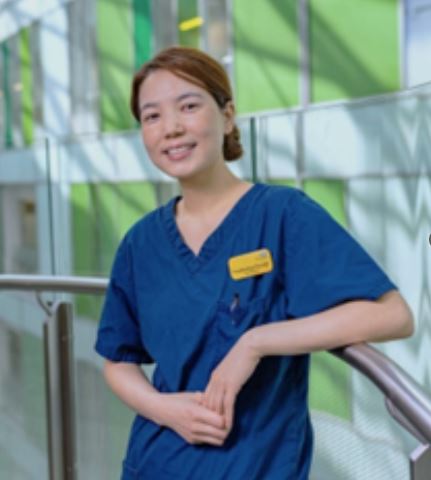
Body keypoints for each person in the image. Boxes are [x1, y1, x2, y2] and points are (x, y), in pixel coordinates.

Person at [94, 46, 414, 480]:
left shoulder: (283, 214)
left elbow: (392, 315)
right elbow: (118, 358)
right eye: (151, 117)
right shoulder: (140, 243)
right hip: (157, 462)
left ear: (226, 116)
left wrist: (256, 342)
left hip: (255, 466)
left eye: (188, 106)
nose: (170, 128)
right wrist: (165, 409)